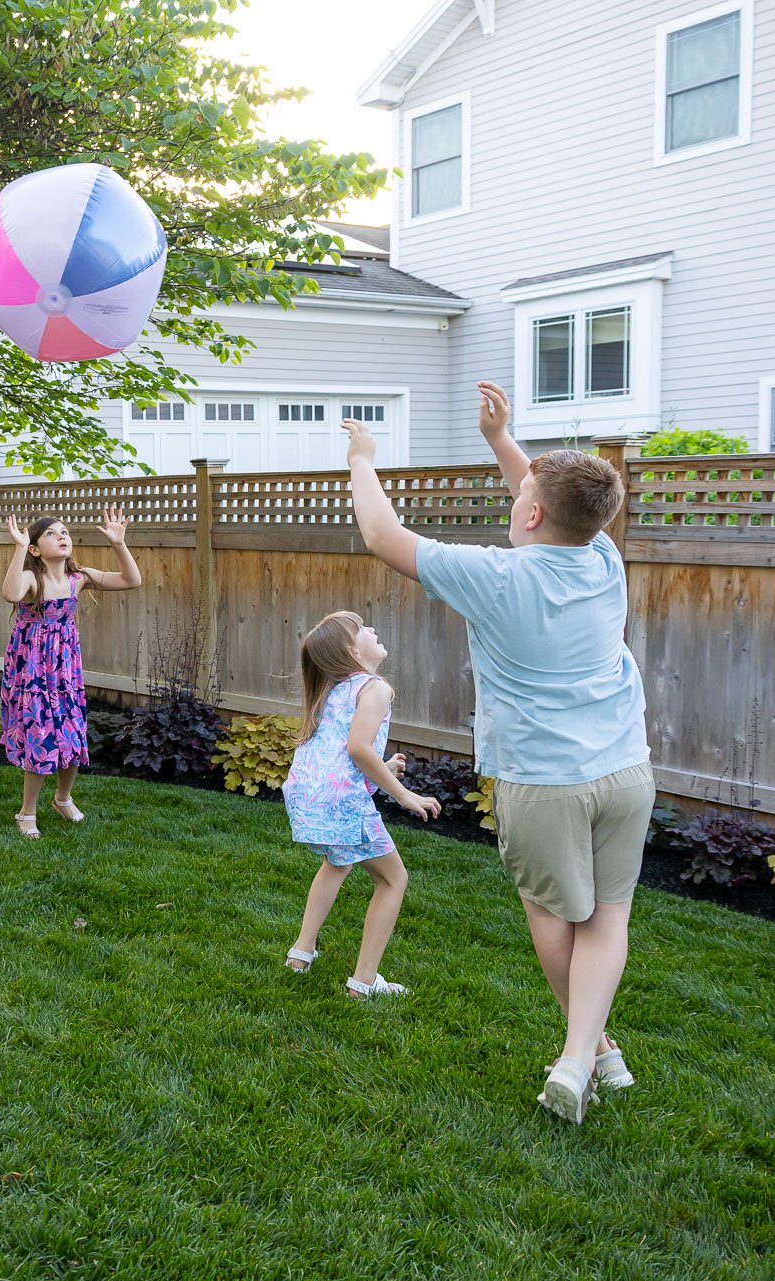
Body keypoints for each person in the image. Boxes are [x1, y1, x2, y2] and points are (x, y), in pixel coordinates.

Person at [342, 383, 652, 1123]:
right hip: (627, 770)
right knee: (608, 915)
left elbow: (383, 537)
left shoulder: (499, 575)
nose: (514, 498)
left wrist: (361, 459)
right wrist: (501, 440)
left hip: (543, 779)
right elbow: (552, 498)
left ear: (534, 513)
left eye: (522, 495)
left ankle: (577, 1057)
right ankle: (599, 1051)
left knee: (550, 913)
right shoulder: (602, 555)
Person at [281, 610, 441, 998]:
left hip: (305, 797)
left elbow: (340, 753)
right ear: (352, 651)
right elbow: (356, 748)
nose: (372, 628)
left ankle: (300, 953)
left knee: (337, 863)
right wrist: (403, 794)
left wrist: (382, 768)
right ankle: (363, 982)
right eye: (362, 629)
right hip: (341, 804)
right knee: (392, 879)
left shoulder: (334, 689)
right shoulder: (375, 688)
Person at [0, 508, 142, 837]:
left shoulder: (79, 579)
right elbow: (10, 593)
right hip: (33, 671)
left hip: (65, 671)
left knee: (72, 732)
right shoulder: (34, 579)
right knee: (40, 735)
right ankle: (26, 812)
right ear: (35, 549)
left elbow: (132, 580)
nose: (62, 536)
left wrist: (119, 544)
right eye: (51, 533)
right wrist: (19, 548)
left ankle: (63, 799)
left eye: (64, 532)